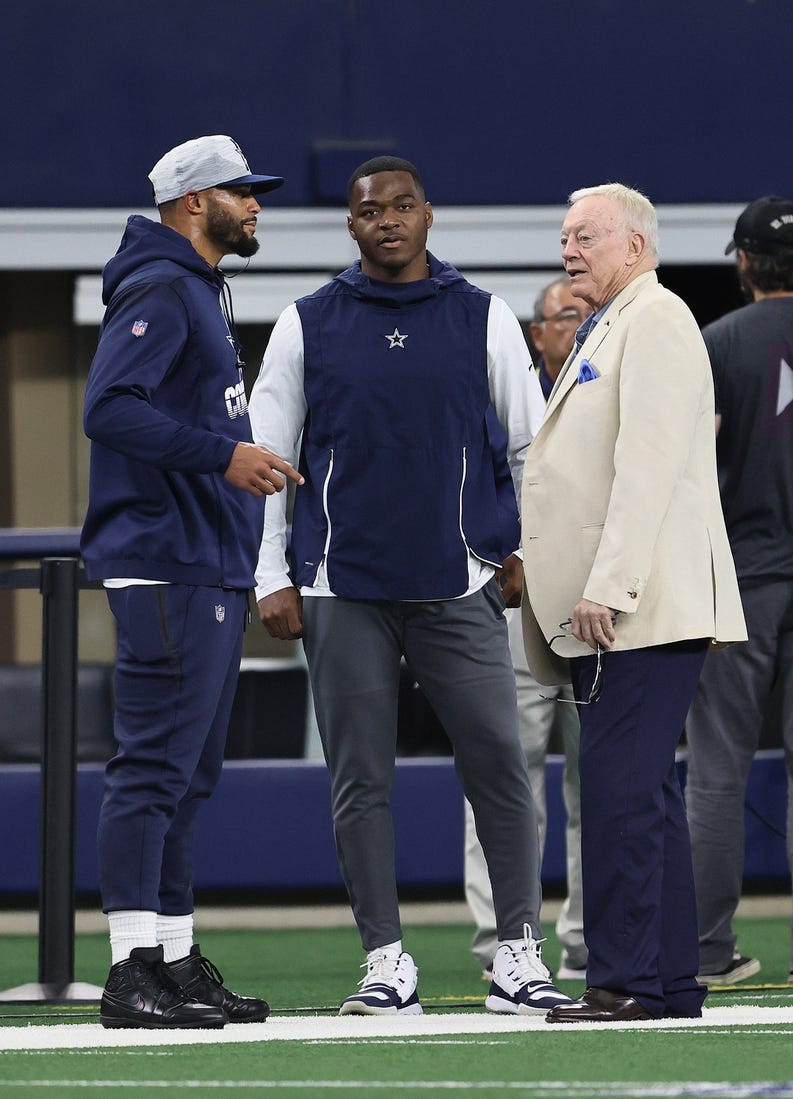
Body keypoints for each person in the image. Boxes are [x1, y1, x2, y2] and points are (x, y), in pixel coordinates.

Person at [249, 155, 571, 1017]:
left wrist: (526, 552)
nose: (385, 220)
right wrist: (270, 575)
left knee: (500, 764)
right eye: (367, 211)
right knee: (362, 778)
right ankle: (386, 962)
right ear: (348, 225)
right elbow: (270, 464)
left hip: (457, 582)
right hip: (339, 587)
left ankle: (516, 954)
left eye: (400, 206)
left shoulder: (483, 318)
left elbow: (529, 449)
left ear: (428, 213)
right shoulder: (305, 322)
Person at [81, 135, 303, 1029]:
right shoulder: (165, 285)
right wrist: (225, 456)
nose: (255, 205)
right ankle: (130, 967)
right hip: (163, 558)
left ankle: (171, 959)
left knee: (188, 773)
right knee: (152, 769)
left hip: (200, 558)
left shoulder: (199, 284)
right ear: (191, 202)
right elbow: (107, 408)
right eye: (241, 192)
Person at [520, 183, 747, 1024]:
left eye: (586, 236)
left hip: (637, 604)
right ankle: (667, 980)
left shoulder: (655, 320)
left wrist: (604, 585)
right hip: (634, 604)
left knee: (619, 788)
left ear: (635, 245)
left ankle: (622, 980)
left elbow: (647, 467)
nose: (569, 249)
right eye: (565, 236)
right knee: (640, 791)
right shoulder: (616, 321)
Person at [463, 276, 588, 982]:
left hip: (593, 607)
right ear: (534, 332)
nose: (570, 326)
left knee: (593, 780)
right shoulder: (494, 397)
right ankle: (500, 937)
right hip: (512, 606)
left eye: (580, 315)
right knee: (499, 772)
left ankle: (587, 938)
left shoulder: (606, 389)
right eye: (558, 317)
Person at [685, 195, 793, 986]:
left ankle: (705, 952)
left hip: (740, 579)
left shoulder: (715, 341)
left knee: (717, 766)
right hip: (756, 570)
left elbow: (686, 470)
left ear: (743, 261)